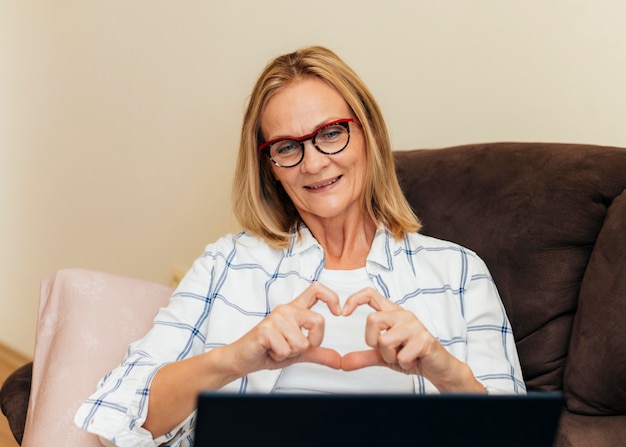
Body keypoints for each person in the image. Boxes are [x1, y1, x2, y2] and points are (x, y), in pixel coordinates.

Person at [75, 45, 525, 446]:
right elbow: (118, 417)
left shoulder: (458, 273)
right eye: (288, 146)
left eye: (331, 133)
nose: (313, 164)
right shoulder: (228, 262)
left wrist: (445, 370)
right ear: (270, 165)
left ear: (368, 132)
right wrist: (234, 358)